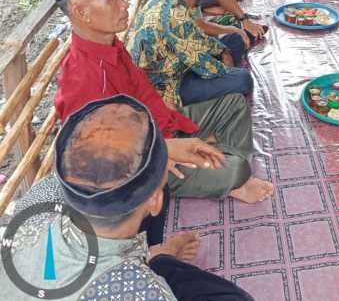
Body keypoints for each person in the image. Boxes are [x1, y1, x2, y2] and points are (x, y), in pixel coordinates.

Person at [39, 0, 273, 203]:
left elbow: (146, 96)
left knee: (234, 104)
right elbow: (101, 158)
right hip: (140, 161)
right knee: (238, 170)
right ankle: (227, 174)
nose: (125, 4)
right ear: (82, 12)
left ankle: (221, 168)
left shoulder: (111, 46)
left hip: (157, 128)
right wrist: (163, 151)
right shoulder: (83, 78)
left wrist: (169, 131)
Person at [0, 95, 253, 300]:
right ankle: (159, 259)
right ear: (154, 201)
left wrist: (165, 149)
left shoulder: (39, 198)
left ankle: (157, 258)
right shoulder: (140, 291)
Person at [127, 0, 254, 105]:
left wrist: (223, 51)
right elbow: (208, 66)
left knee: (235, 39)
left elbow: (196, 38)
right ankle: (219, 98)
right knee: (243, 79)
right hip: (165, 86)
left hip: (178, 62)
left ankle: (219, 89)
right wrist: (226, 69)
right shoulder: (176, 18)